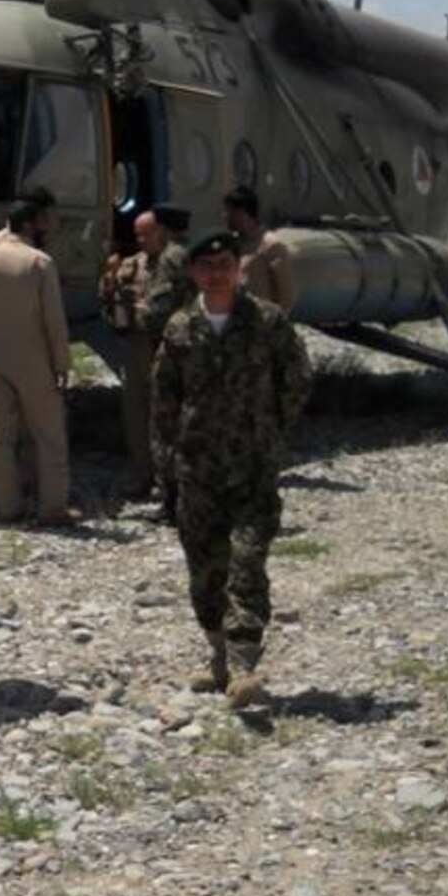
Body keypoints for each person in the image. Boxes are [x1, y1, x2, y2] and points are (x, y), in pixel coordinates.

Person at [151, 229, 312, 708]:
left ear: (239, 269)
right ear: (196, 273)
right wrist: (168, 461)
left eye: (225, 264)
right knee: (204, 567)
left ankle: (244, 665)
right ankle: (218, 656)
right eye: (207, 266)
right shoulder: (180, 328)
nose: (216, 273)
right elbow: (164, 397)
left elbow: (297, 377)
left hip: (253, 466)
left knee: (246, 560)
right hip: (198, 468)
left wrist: (270, 428)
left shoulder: (266, 321)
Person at [0, 195, 77, 526]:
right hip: (34, 355)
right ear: (30, 223)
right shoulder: (39, 262)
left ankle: (7, 505)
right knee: (49, 435)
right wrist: (62, 364)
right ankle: (52, 506)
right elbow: (54, 322)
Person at [101, 210, 169, 498]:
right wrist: (109, 280)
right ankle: (141, 474)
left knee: (165, 413)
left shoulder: (173, 264)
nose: (141, 239)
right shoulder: (132, 265)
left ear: (161, 232)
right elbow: (109, 299)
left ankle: (167, 479)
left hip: (163, 345)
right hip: (134, 343)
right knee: (135, 412)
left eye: (146, 233)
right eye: (137, 234)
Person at [141, 204, 195, 521]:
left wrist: (136, 312)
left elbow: (159, 307)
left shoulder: (170, 257)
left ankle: (171, 503)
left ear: (161, 229)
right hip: (198, 344)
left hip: (175, 346)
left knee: (165, 424)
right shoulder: (193, 252)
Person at [225, 186, 297, 313]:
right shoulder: (233, 244)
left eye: (231, 213)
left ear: (244, 213)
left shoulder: (271, 246)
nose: (226, 217)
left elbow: (286, 295)